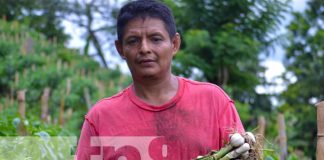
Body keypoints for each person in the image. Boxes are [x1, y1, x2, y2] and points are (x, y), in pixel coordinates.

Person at [75, 0, 246, 159]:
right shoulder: (100, 117)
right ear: (120, 49)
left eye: (155, 39)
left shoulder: (213, 100)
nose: (144, 48)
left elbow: (240, 151)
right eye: (133, 41)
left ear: (174, 44)